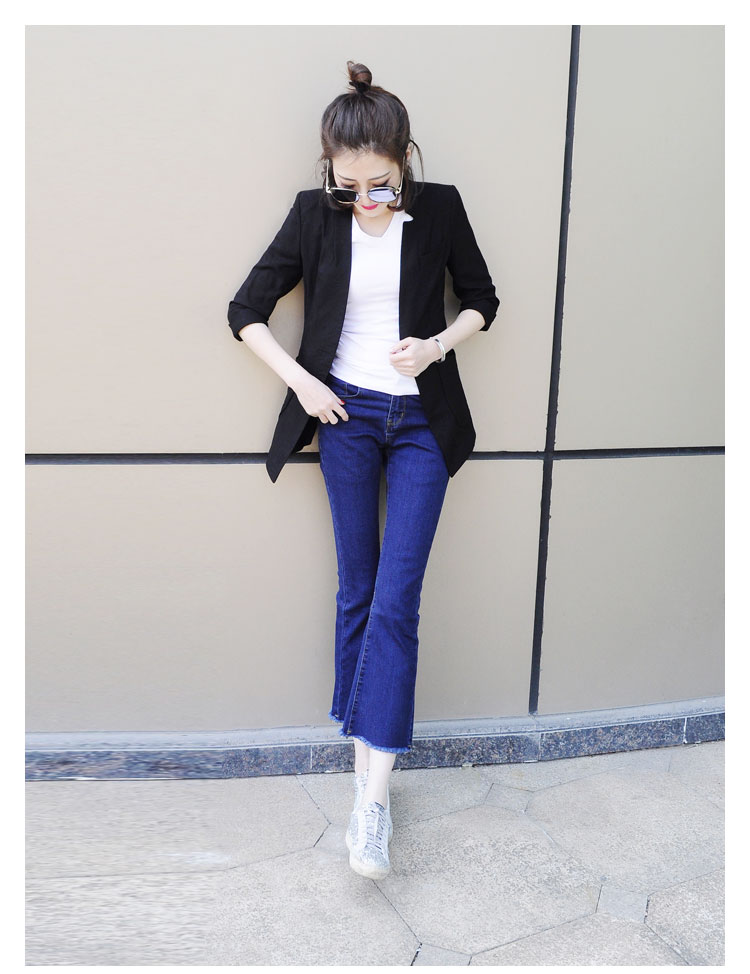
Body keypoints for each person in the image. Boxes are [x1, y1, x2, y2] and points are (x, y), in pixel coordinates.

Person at [226, 61, 499, 880]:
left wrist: (437, 345)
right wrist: (305, 385)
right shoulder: (314, 215)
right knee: (357, 592)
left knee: (395, 600)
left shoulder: (440, 207)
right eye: (349, 187)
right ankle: (364, 776)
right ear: (330, 170)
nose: (366, 199)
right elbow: (245, 311)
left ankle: (374, 800)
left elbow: (483, 299)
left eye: (380, 183)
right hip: (343, 419)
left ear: (403, 159)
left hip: (421, 422)